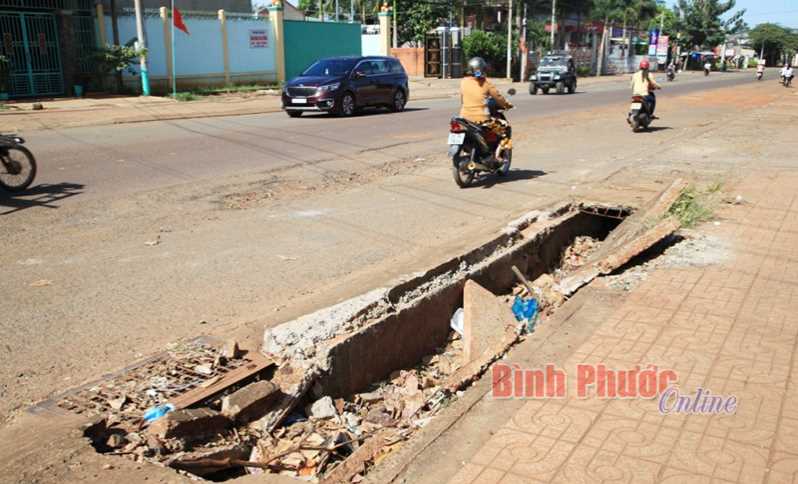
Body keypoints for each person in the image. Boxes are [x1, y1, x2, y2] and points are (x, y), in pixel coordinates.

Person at [459, 57, 513, 124]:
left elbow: (462, 101)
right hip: (481, 119)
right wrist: (507, 105)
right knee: (500, 126)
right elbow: (498, 97)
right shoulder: (486, 83)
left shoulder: (463, 81)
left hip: (464, 117)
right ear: (482, 69)